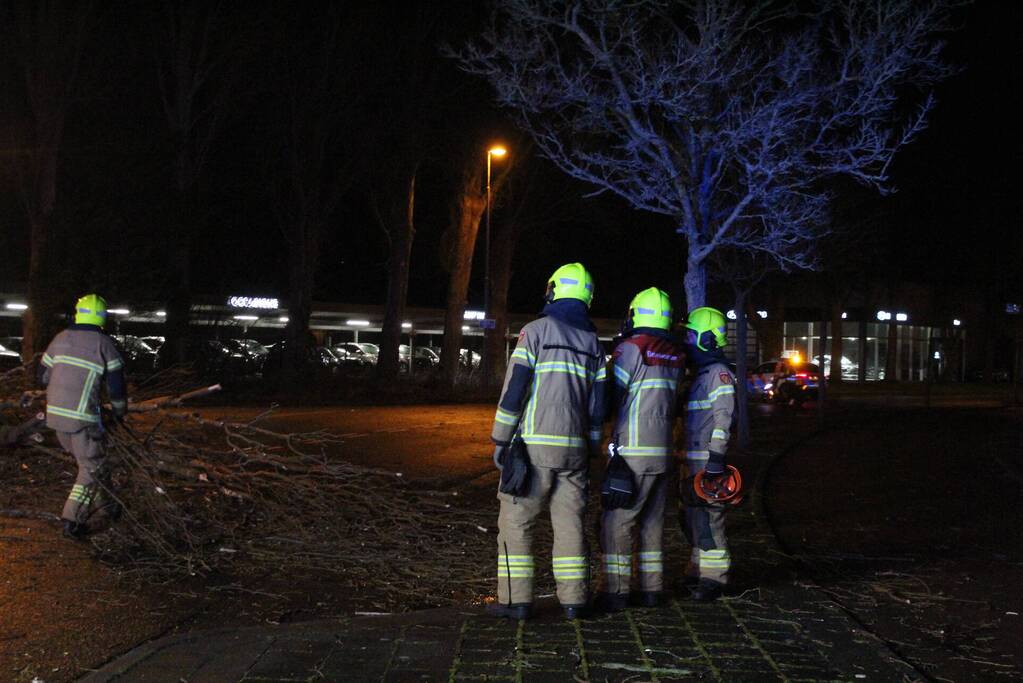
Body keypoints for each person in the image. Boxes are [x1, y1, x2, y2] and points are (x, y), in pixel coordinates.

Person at [488, 263, 606, 620]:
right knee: (570, 523)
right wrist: (593, 447)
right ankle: (574, 601)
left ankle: (515, 601)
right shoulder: (592, 343)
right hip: (576, 451)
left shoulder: (535, 332)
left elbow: (515, 391)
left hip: (535, 448)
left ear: (553, 290)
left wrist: (500, 438)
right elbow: (598, 405)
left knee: (516, 520)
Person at [597, 287, 684, 611]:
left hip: (632, 451)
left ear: (636, 314)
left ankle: (616, 591)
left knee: (617, 522)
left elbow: (611, 398)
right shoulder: (675, 355)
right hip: (663, 450)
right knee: (652, 521)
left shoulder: (629, 350)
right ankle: (652, 589)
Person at [39, 293, 128, 539]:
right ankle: (72, 519)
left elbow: (43, 376)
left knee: (94, 464)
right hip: (82, 420)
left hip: (55, 418)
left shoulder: (60, 338)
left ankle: (108, 508)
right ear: (102, 317)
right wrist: (119, 412)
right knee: (91, 466)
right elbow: (116, 388)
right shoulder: (104, 344)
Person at [680, 306, 736, 601]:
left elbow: (723, 419)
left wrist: (716, 460)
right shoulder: (702, 374)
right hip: (694, 461)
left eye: (691, 334)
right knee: (693, 518)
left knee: (709, 521)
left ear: (707, 339)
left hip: (708, 463)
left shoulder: (719, 375)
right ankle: (698, 570)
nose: (687, 340)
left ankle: (715, 578)